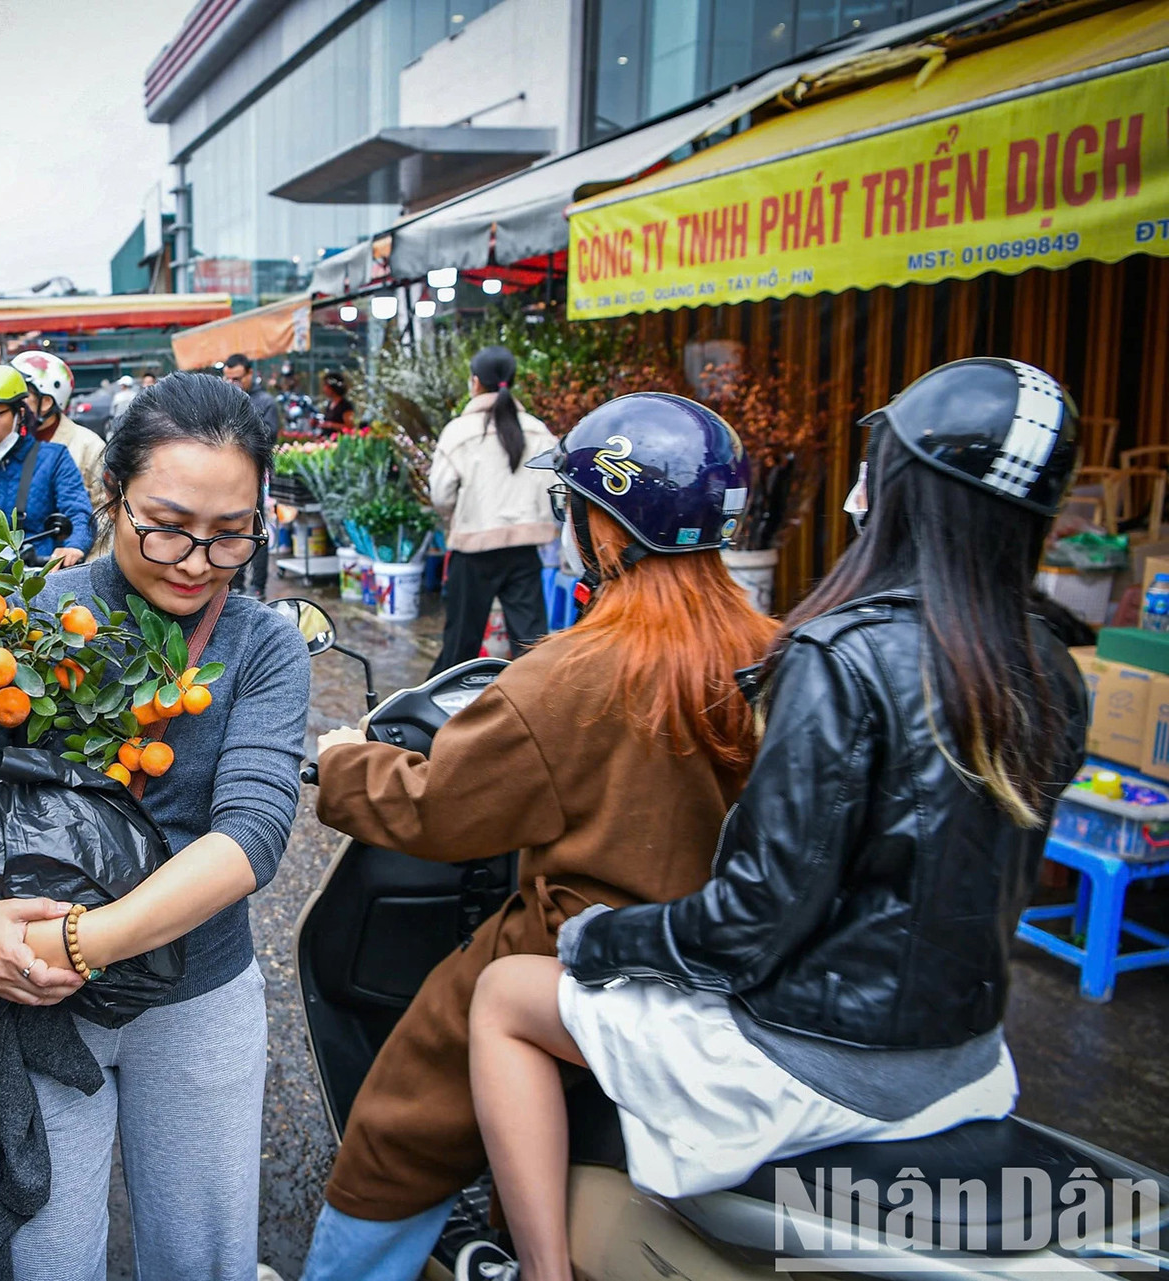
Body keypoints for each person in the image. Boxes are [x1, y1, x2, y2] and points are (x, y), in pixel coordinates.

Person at [461, 359, 1087, 1281]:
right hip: (966, 1056)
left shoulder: (840, 656)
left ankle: (544, 1271)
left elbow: (744, 927)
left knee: (505, 997)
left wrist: (601, 939)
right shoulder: (1047, 664)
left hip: (818, 1062)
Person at [295, 394, 778, 1281]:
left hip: (585, 949)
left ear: (606, 526)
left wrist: (342, 765)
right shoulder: (776, 653)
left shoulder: (571, 673)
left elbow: (441, 807)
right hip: (732, 967)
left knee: (405, 1112)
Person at [0, 372, 310, 1281]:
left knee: (203, 1256)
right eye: (166, 523)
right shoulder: (29, 625)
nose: (196, 560)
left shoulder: (262, 642)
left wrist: (81, 940)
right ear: (111, 496)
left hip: (196, 995)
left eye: (230, 535)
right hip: (33, 999)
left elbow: (249, 833)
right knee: (48, 1256)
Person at [428, 346, 561, 674]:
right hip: (525, 550)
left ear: (475, 383)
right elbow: (556, 485)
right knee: (532, 645)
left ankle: (445, 716)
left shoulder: (459, 431)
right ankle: (539, 711)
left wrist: (457, 519)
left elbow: (441, 495)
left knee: (461, 645)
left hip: (473, 551)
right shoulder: (537, 430)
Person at [0, 365, 93, 569]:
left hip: (42, 578)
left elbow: (77, 510)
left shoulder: (54, 457)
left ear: (19, 413)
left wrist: (74, 546)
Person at [12, 350, 110, 555]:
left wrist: (76, 558)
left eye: (21, 395)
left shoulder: (88, 446)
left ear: (46, 402)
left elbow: (104, 516)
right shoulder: (9, 443)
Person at [221, 354, 279, 597]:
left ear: (249, 374)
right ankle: (234, 585)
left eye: (237, 378)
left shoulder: (265, 402)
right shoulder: (224, 400)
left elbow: (267, 437)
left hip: (254, 478)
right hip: (225, 479)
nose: (233, 383)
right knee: (228, 531)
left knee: (256, 530)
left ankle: (258, 587)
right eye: (228, 378)